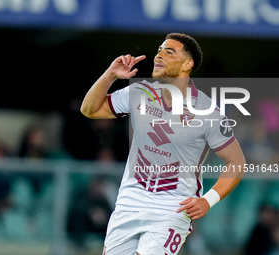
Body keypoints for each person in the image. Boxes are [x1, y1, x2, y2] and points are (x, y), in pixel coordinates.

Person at [80, 33, 245, 255]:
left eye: (169, 52)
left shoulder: (208, 112)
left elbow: (236, 162)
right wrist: (110, 75)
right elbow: (89, 110)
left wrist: (208, 200)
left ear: (188, 64)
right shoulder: (139, 92)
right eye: (160, 49)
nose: (159, 55)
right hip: (129, 201)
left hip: (173, 206)